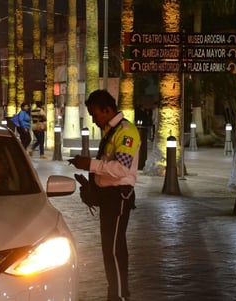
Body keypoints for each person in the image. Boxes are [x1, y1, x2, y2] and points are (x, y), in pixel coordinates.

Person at [68, 89, 141, 301]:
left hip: (118, 197)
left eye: (95, 114)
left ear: (107, 110)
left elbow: (121, 169)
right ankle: (115, 293)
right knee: (110, 248)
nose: (94, 119)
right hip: (108, 197)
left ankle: (119, 296)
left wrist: (89, 164)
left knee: (115, 249)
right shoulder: (112, 130)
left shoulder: (126, 132)